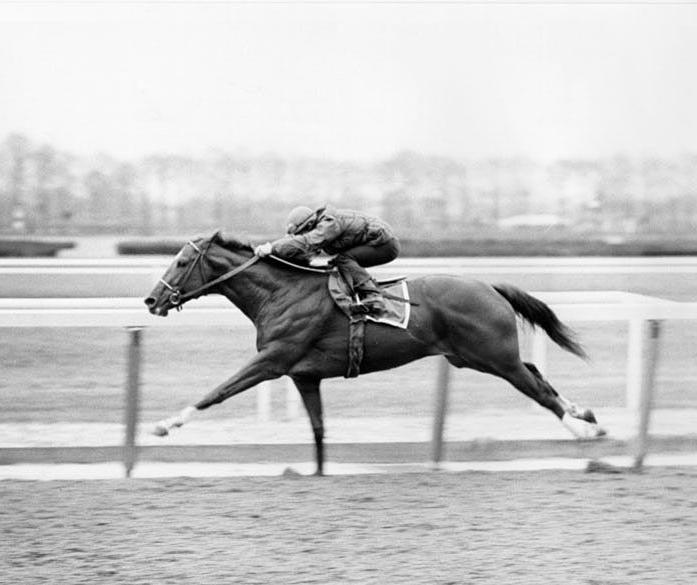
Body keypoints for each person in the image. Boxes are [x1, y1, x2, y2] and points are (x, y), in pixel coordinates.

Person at [254, 205, 400, 313]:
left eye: (301, 233)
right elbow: (303, 251)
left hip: (384, 244)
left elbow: (307, 241)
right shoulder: (319, 224)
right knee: (335, 264)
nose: (301, 236)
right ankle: (355, 296)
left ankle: (373, 296)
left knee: (344, 260)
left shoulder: (329, 223)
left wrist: (272, 248)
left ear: (309, 225)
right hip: (375, 242)